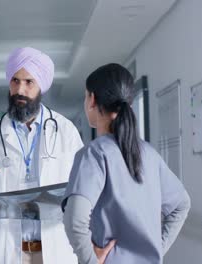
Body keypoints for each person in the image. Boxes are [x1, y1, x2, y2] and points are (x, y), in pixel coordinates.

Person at [62, 63, 191, 264]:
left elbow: (75, 220)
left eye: (86, 96)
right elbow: (181, 204)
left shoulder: (94, 154)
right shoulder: (150, 154)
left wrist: (90, 261)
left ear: (92, 100)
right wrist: (157, 248)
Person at [0, 47, 84, 264]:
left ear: (40, 86)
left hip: (54, 235)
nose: (20, 89)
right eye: (15, 80)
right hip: (11, 234)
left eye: (28, 82)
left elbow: (81, 181)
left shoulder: (65, 130)